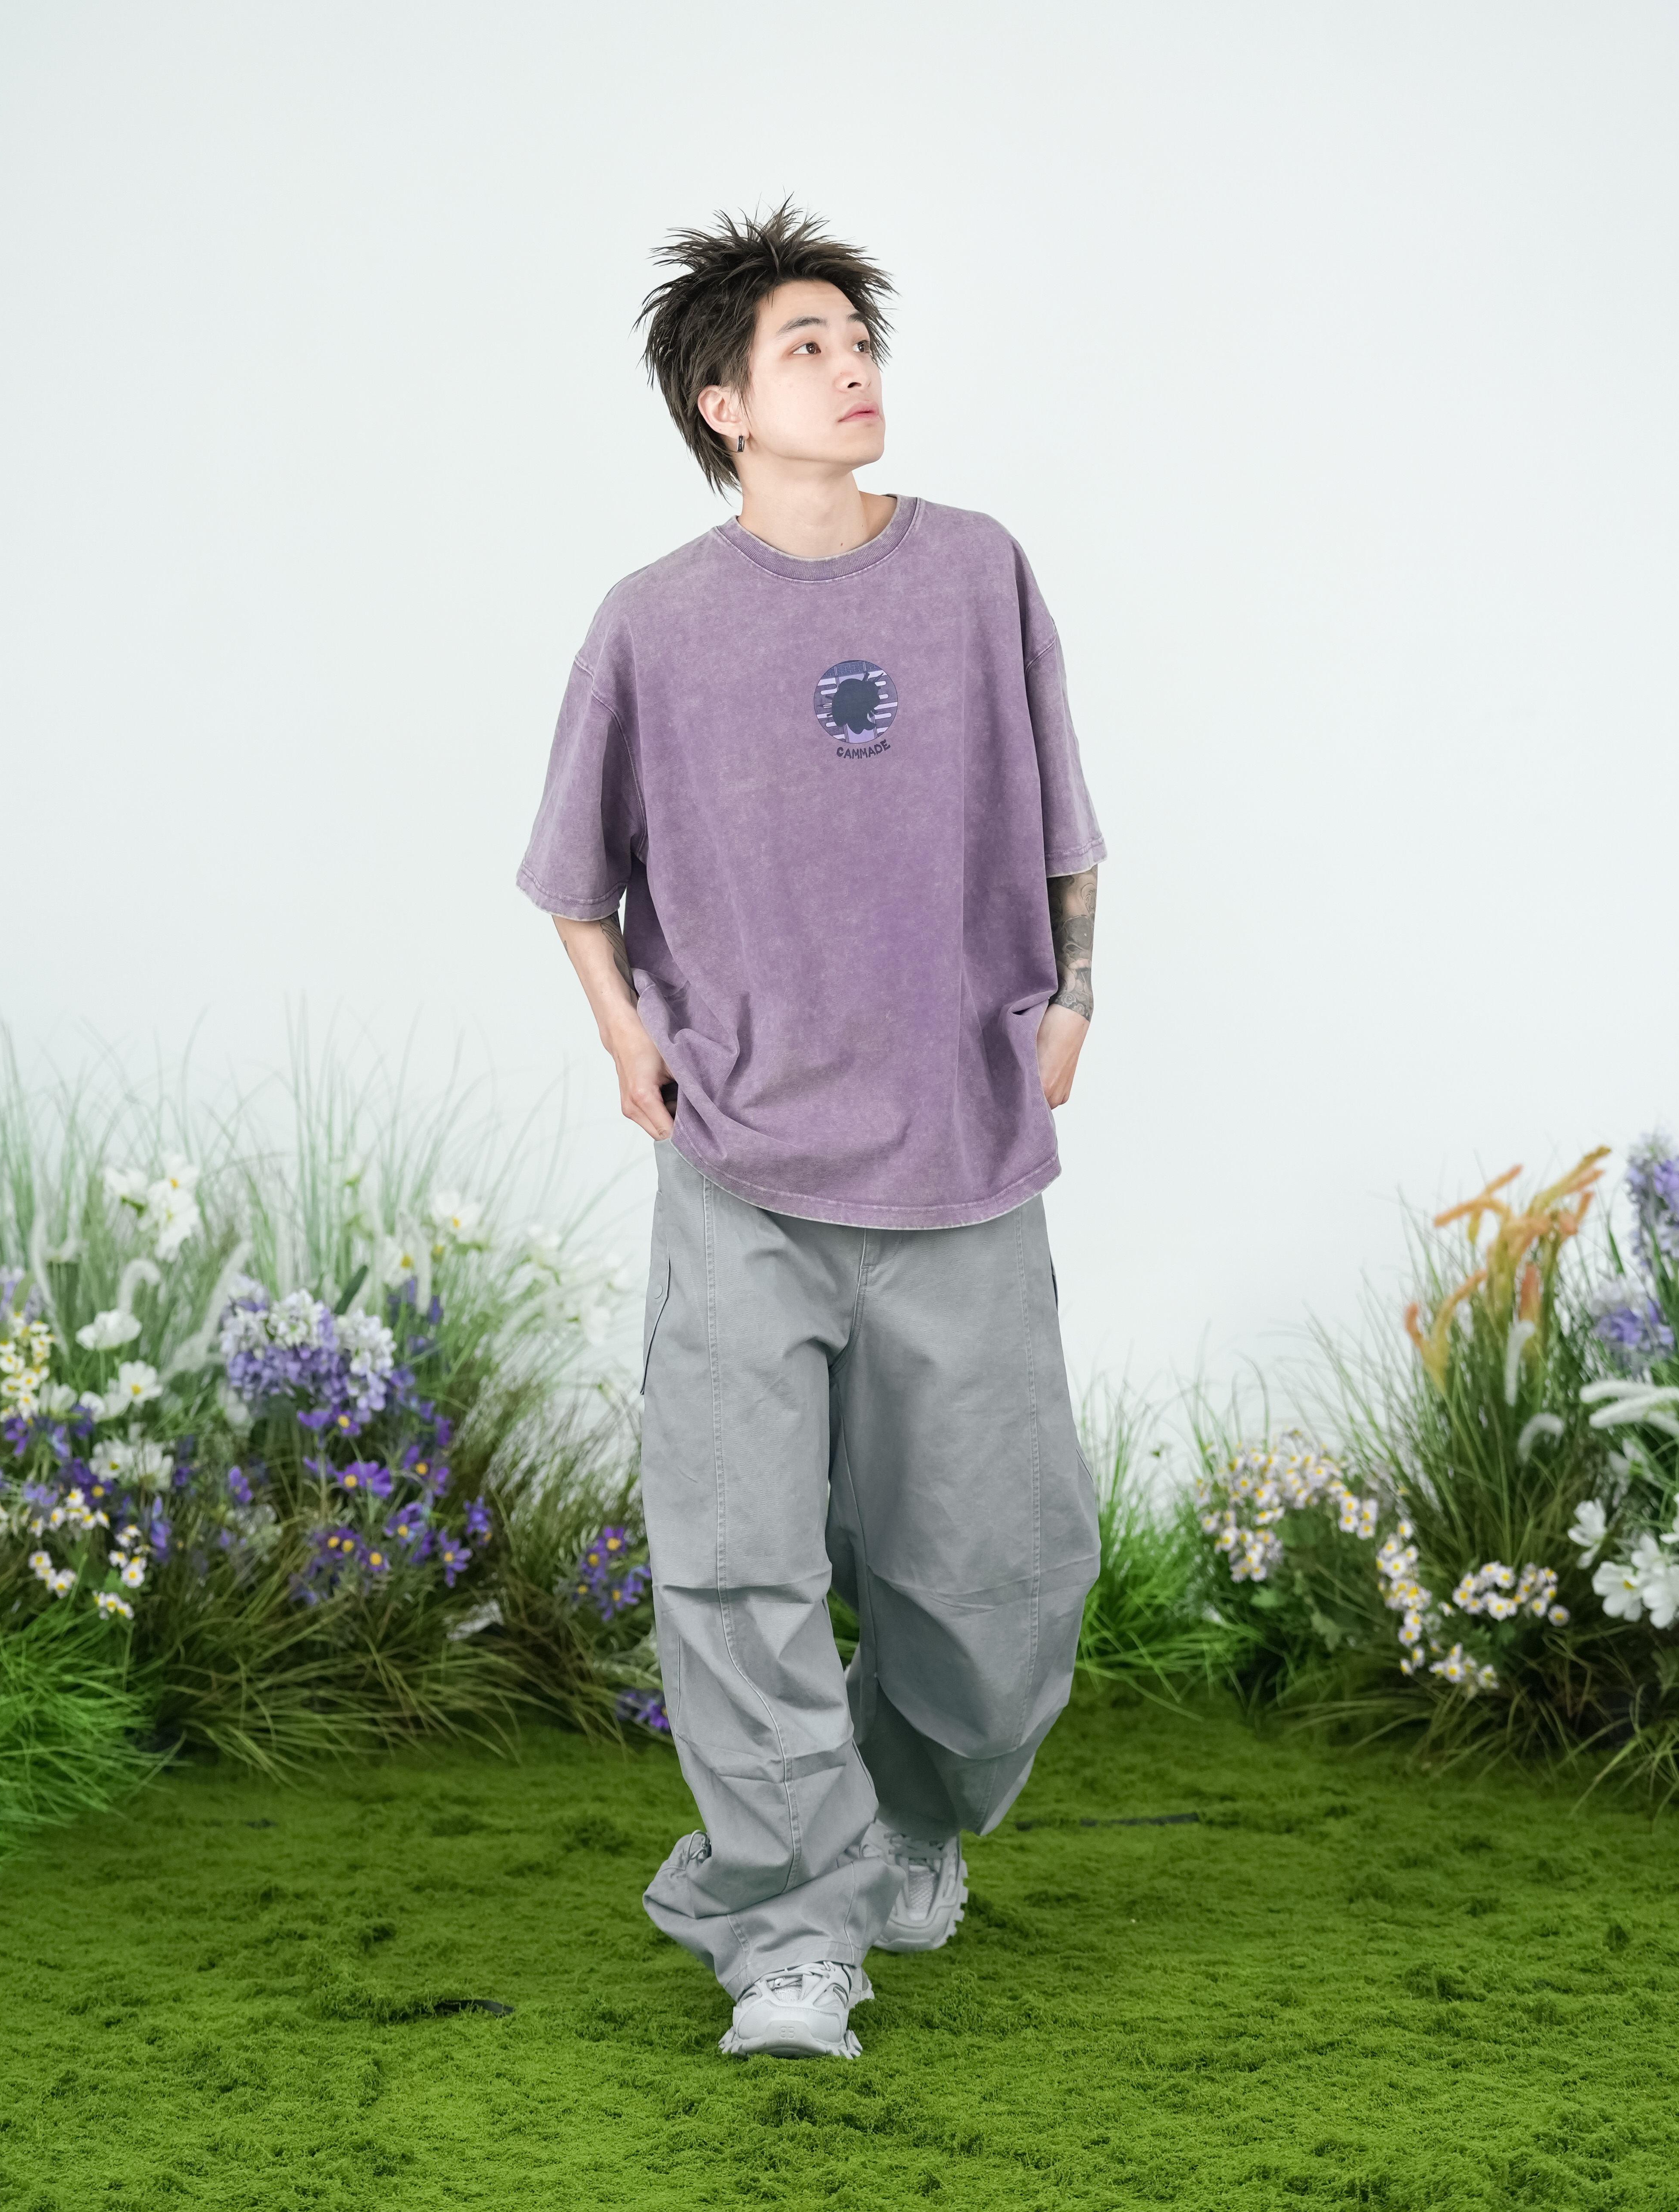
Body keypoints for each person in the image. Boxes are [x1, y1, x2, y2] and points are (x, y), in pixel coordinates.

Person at [517, 204, 1104, 2061]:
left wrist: (1072, 996)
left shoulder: (978, 572)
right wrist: (625, 1036)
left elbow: (1064, 816)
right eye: (807, 346)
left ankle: (906, 1823)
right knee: (735, 1565)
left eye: (860, 340)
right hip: (743, 1169)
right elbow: (574, 876)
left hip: (962, 1156)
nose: (853, 369)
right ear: (723, 402)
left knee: (1004, 1579)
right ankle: (785, 1931)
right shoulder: (653, 623)